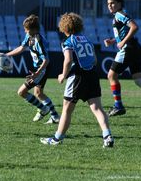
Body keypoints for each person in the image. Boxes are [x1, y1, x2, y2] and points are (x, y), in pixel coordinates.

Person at [40, 12, 114, 147]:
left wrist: (63, 75)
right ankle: (107, 136)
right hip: (92, 75)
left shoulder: (68, 41)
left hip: (77, 78)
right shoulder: (87, 40)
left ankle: (57, 139)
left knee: (67, 110)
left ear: (64, 27)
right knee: (97, 108)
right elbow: (95, 60)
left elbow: (68, 60)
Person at [5, 14, 60, 124]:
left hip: (42, 68)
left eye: (26, 29)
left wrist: (37, 73)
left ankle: (44, 109)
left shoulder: (38, 40)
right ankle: (54, 116)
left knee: (21, 92)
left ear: (33, 29)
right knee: (39, 93)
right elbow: (21, 48)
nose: (25, 31)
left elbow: (46, 60)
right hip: (39, 69)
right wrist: (7, 55)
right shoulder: (30, 36)